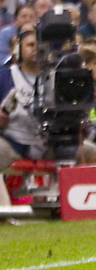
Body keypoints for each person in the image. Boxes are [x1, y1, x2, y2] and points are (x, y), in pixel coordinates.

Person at [0, 30, 44, 172]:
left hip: (47, 143)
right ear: (19, 49)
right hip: (11, 142)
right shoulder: (5, 76)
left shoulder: (54, 77)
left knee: (87, 150)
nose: (35, 49)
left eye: (39, 45)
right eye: (30, 45)